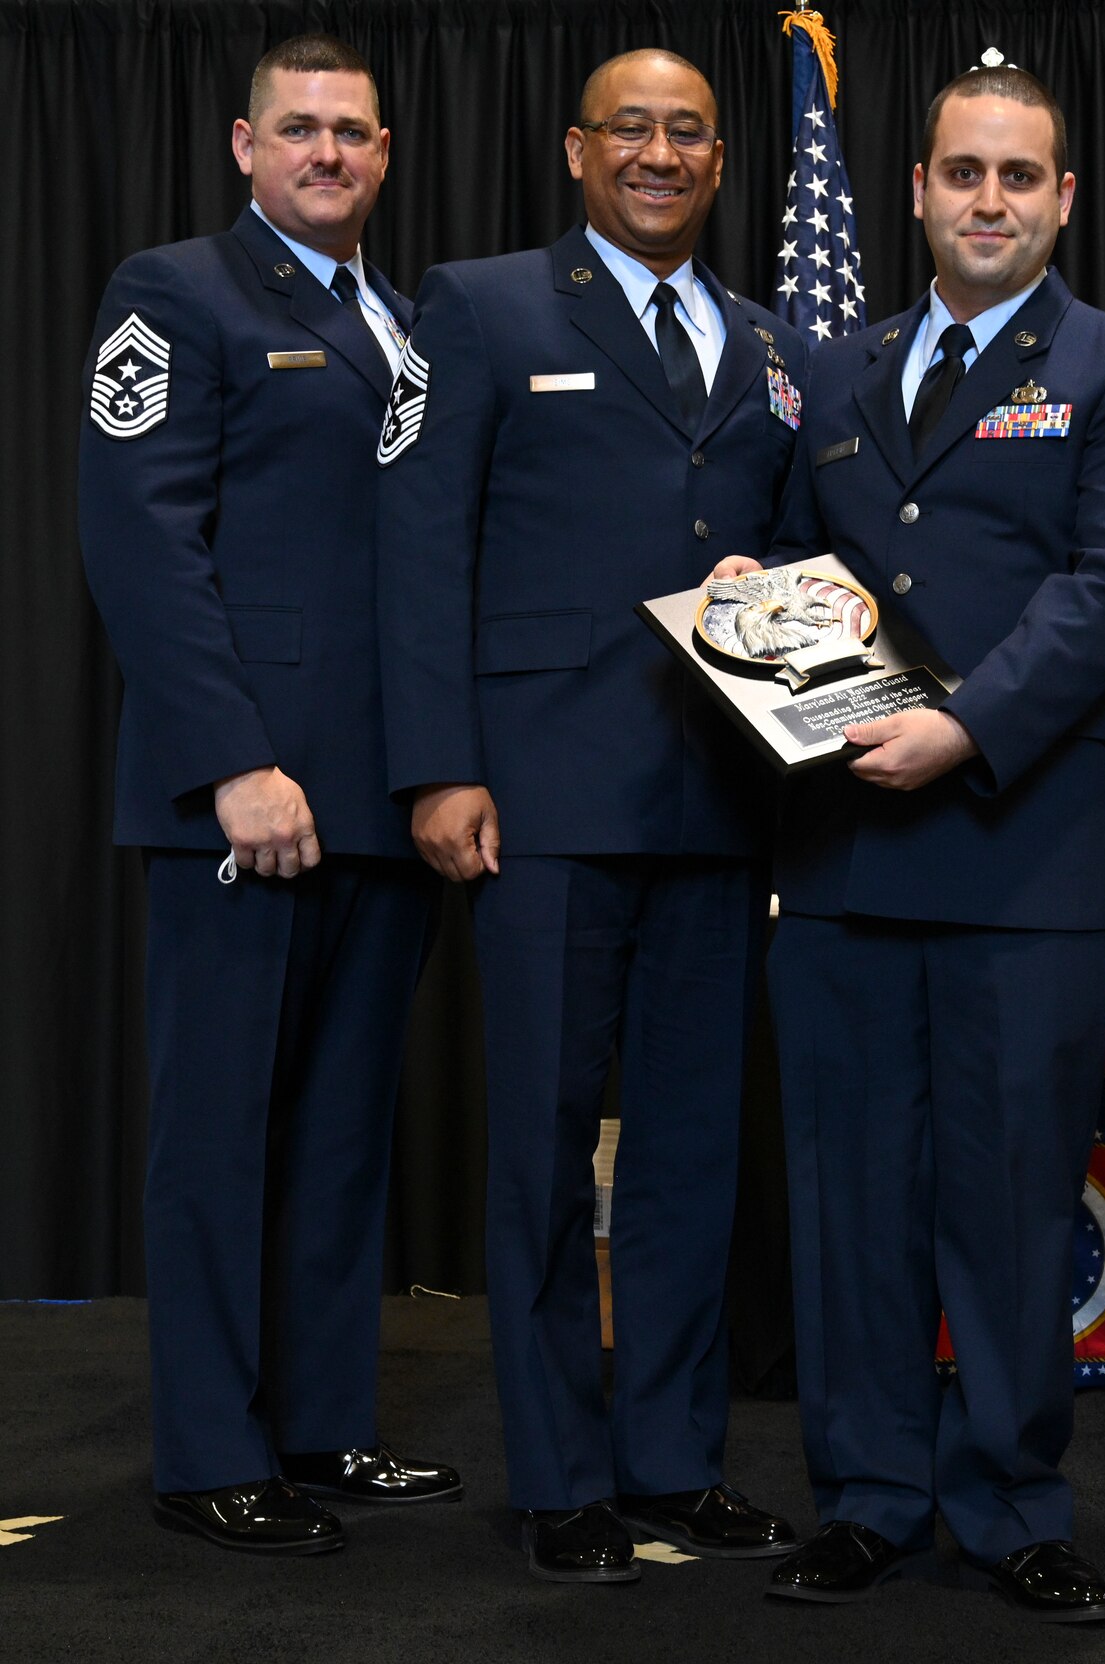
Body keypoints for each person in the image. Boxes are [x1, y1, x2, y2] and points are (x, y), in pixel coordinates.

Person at [720, 64, 1105, 1624]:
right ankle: (866, 1498)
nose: (989, 199)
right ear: (917, 190)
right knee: (851, 1196)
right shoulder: (833, 368)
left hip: (1026, 856)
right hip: (847, 856)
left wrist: (972, 727)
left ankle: (1007, 1504)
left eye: (1021, 177)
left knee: (1005, 1202)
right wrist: (753, 589)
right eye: (963, 173)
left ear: (1064, 200)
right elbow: (817, 576)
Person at [374, 48, 802, 1584]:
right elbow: (419, 547)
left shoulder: (768, 336)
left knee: (693, 1155)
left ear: (721, 158)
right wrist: (437, 765)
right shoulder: (480, 305)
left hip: (717, 802)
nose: (663, 153)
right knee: (547, 1152)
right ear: (576, 148)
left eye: (690, 132)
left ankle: (674, 1465)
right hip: (540, 798)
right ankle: (561, 1477)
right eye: (634, 128)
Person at [76, 33, 458, 1555]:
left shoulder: (415, 324)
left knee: (342, 1133)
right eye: (297, 131)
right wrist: (234, 759)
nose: (327, 155)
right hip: (244, 796)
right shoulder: (175, 296)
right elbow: (142, 545)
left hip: (379, 797)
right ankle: (210, 1451)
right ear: (245, 145)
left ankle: (323, 1426)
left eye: (352, 134)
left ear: (384, 152)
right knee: (223, 1132)